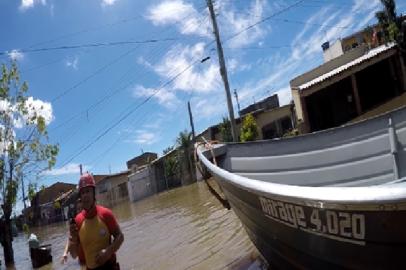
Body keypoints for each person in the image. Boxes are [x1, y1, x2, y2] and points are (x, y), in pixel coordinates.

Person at [69, 173, 124, 270]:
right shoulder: (77, 221)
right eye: (82, 193)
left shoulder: (106, 214)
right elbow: (74, 255)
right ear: (80, 197)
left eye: (88, 191)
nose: (85, 195)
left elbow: (120, 237)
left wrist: (107, 252)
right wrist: (73, 239)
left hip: (110, 266)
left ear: (94, 193)